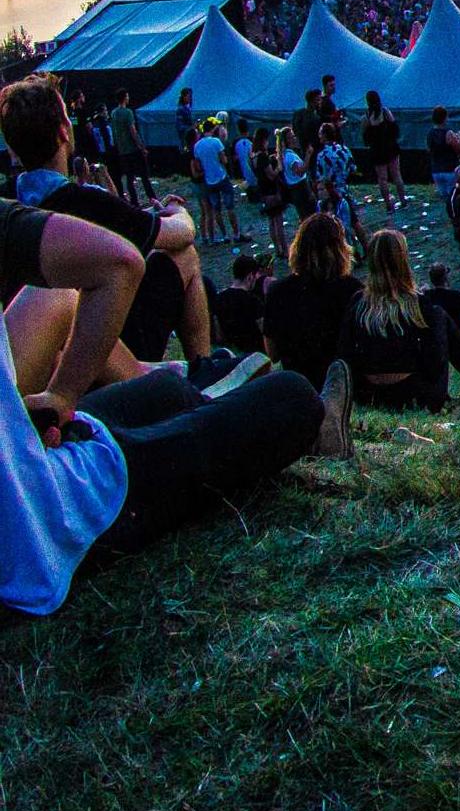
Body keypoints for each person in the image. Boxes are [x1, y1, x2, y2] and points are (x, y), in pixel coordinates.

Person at [0, 198, 332, 616]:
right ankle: (279, 412)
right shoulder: (41, 211)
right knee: (292, 396)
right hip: (40, 521)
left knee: (163, 391)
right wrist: (63, 394)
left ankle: (207, 388)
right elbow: (119, 261)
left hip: (24, 463)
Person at [0, 76, 217, 381]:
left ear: (13, 147)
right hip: (101, 343)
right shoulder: (88, 202)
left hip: (33, 349)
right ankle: (203, 369)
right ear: (64, 131)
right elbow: (178, 234)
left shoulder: (11, 210)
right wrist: (179, 212)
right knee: (185, 255)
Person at [335, 228, 460, 410]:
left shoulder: (358, 303)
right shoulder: (417, 302)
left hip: (370, 394)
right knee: (440, 316)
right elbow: (434, 357)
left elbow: (344, 353)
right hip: (415, 394)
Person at [261, 213, 361, 383]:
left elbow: (272, 353)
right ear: (341, 249)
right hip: (342, 381)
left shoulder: (277, 291)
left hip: (299, 381)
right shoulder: (353, 291)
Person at [190, 120, 234, 246]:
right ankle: (236, 233)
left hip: (209, 181)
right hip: (221, 176)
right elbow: (224, 160)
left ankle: (224, 234)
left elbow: (198, 166)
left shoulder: (197, 146)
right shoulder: (216, 142)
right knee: (229, 207)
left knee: (216, 210)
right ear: (213, 129)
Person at [363, 91, 405, 213]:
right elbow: (395, 129)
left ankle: (388, 204)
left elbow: (365, 138)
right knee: (397, 175)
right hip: (390, 147)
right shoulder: (385, 112)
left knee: (382, 178)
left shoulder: (366, 117)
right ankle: (403, 200)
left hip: (377, 150)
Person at [107, 91, 149, 202]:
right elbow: (133, 131)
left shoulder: (113, 113)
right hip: (132, 148)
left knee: (129, 178)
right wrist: (141, 147)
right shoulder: (128, 112)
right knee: (144, 175)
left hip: (122, 150)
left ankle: (134, 201)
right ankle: (152, 197)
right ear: (125, 98)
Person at [424, 107, 460, 210]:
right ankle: (452, 215)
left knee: (443, 197)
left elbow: (429, 150)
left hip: (436, 170)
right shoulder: (448, 133)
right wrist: (458, 139)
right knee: (452, 196)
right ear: (445, 118)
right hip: (450, 169)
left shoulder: (430, 133)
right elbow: (458, 150)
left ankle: (444, 214)